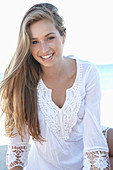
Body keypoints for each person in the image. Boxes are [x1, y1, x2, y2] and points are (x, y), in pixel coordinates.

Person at [0, 3, 111, 170]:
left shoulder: (87, 72)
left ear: (63, 36)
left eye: (50, 38)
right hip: (48, 162)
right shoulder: (23, 81)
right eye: (34, 42)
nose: (43, 49)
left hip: (84, 140)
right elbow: (18, 148)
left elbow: (93, 137)